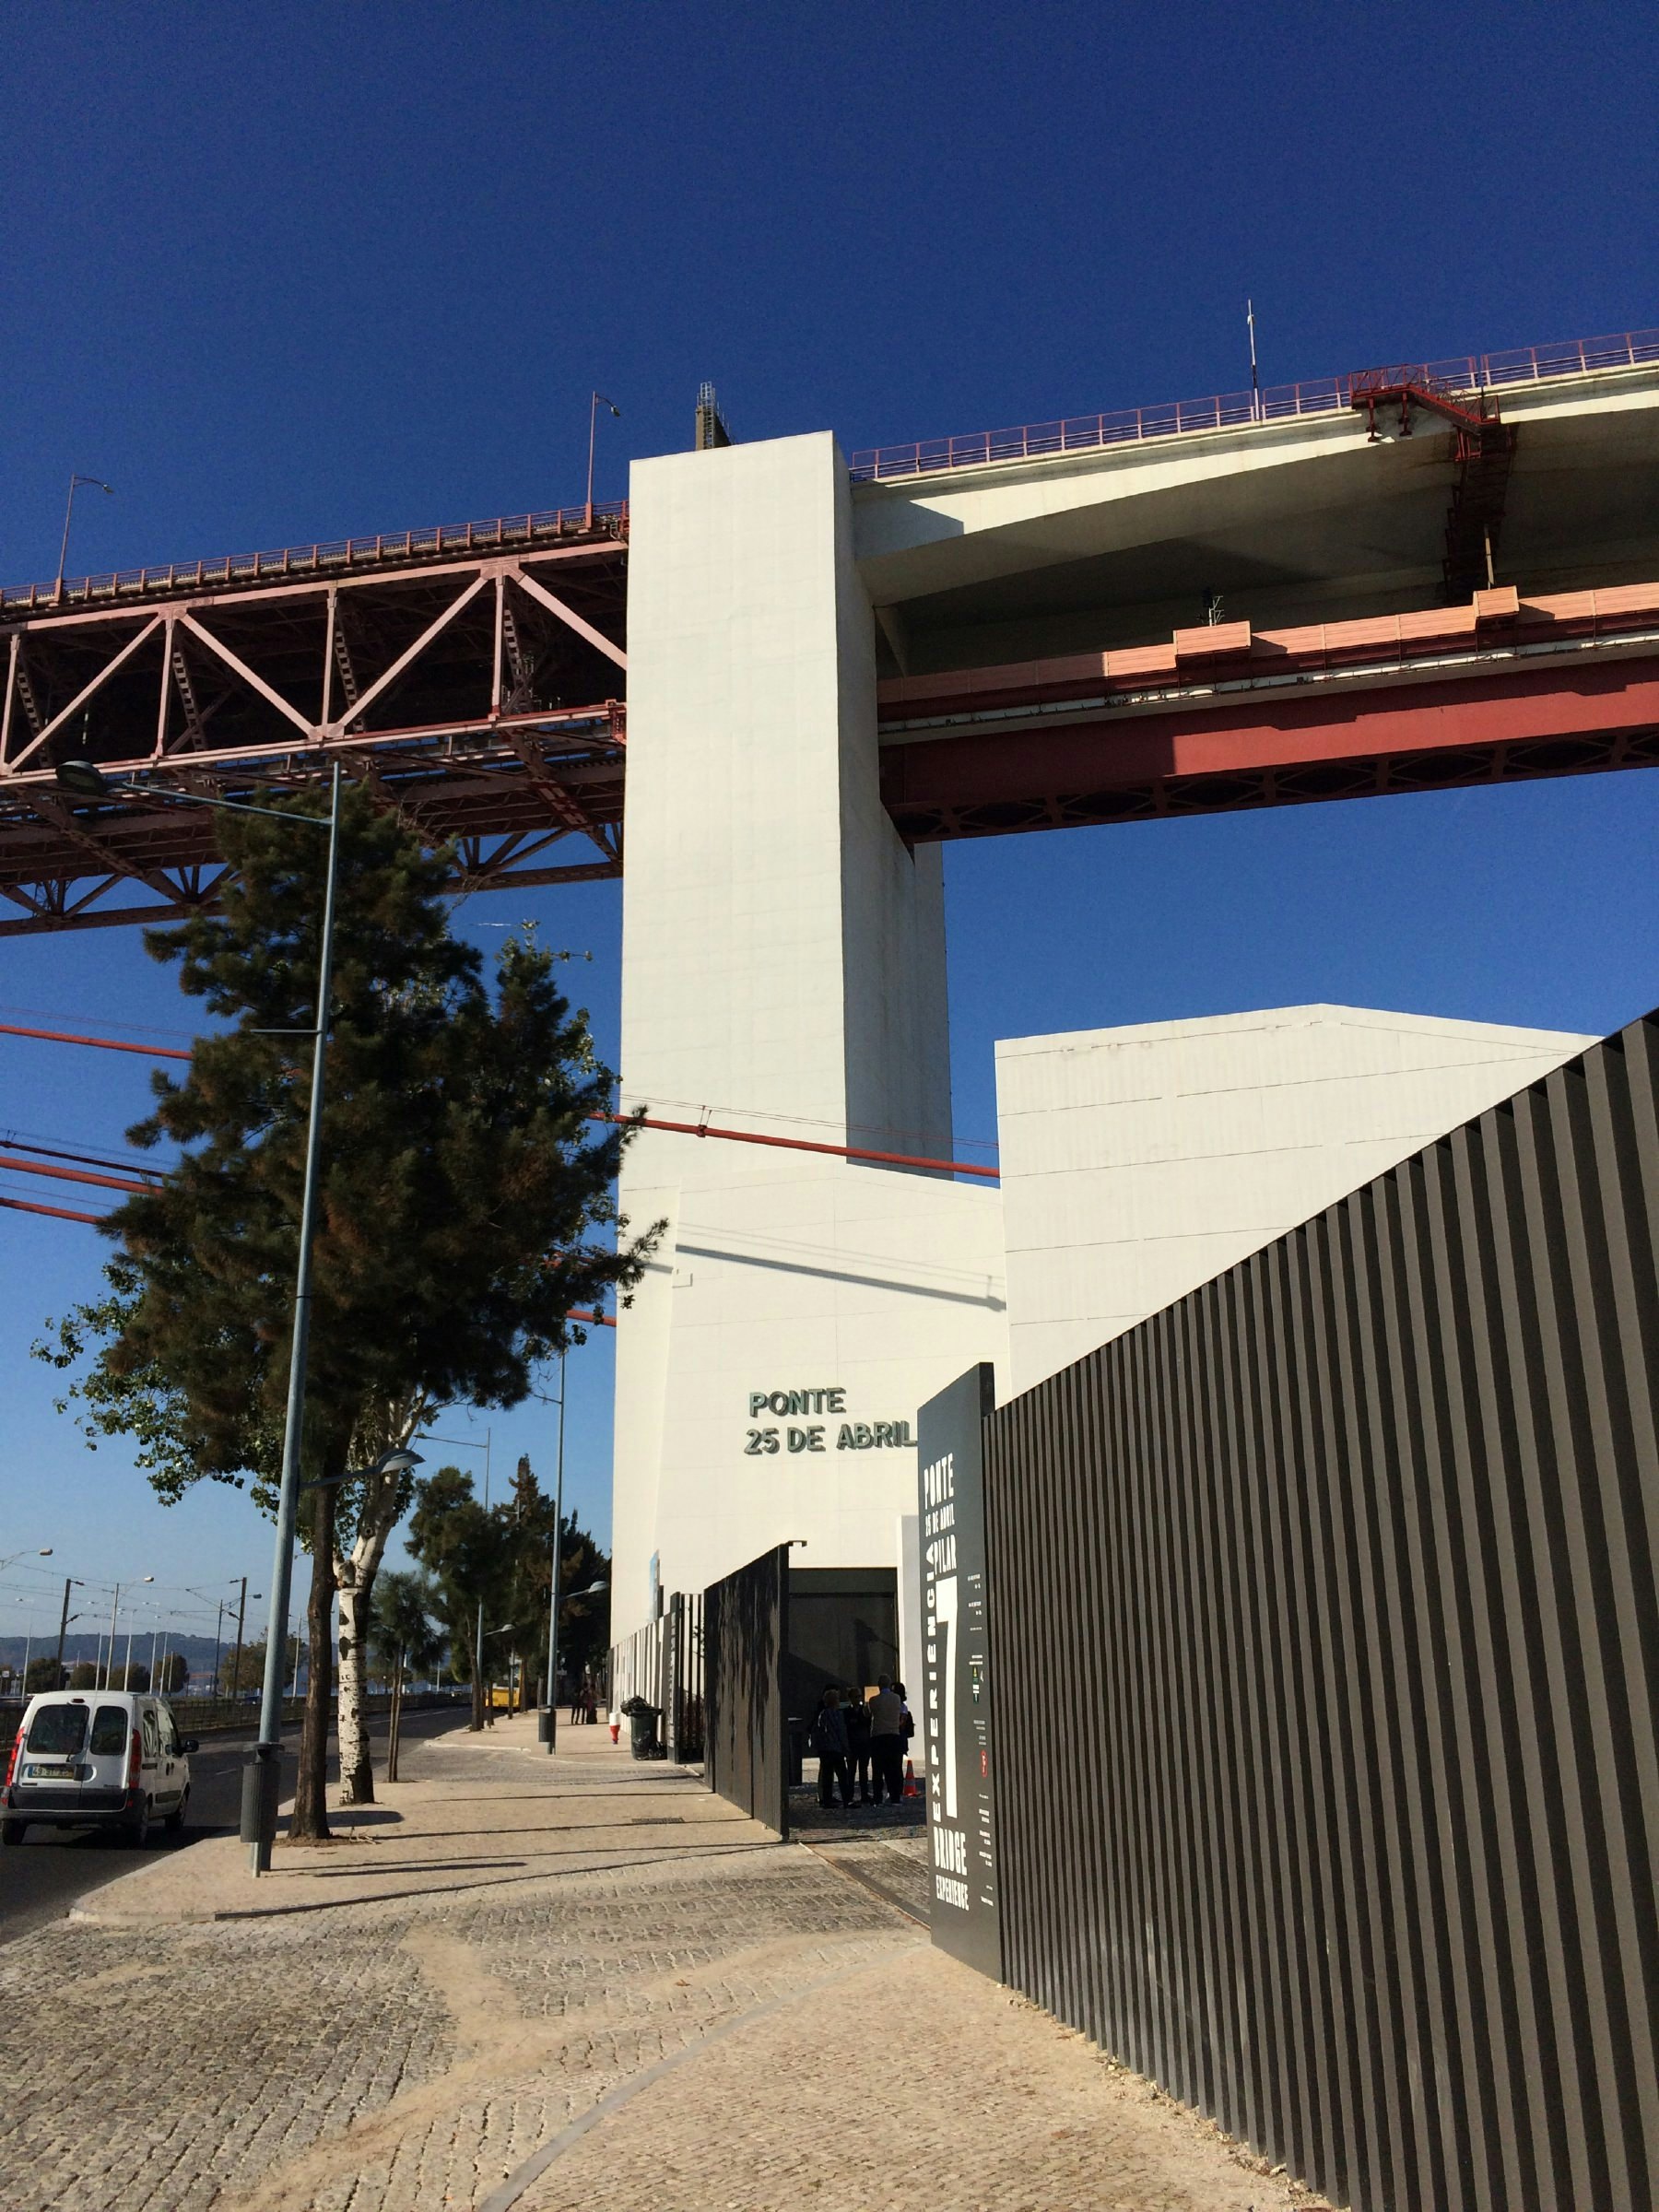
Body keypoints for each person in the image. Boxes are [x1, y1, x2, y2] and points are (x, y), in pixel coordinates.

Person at [810, 1687, 853, 1809]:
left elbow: (818, 1732)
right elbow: (841, 1733)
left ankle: (827, 1801)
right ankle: (846, 1800)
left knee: (827, 1777)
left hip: (825, 1750)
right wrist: (846, 1749)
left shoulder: (822, 1714)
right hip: (836, 1749)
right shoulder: (837, 1715)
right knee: (842, 1776)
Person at [866, 1674, 905, 1804]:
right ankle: (895, 1796)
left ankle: (878, 1796)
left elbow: (868, 1714)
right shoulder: (896, 1698)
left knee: (878, 1769)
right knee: (893, 1768)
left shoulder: (873, 1700)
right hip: (893, 1735)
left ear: (879, 1686)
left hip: (878, 1736)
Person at [844, 1681, 874, 1804]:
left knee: (863, 1771)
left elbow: (868, 1724)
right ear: (851, 1698)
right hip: (852, 1744)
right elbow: (846, 1727)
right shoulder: (846, 1712)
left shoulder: (864, 1710)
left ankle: (864, 1794)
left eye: (859, 1696)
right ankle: (849, 1795)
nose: (858, 1699)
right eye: (856, 1697)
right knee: (851, 1772)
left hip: (864, 1744)